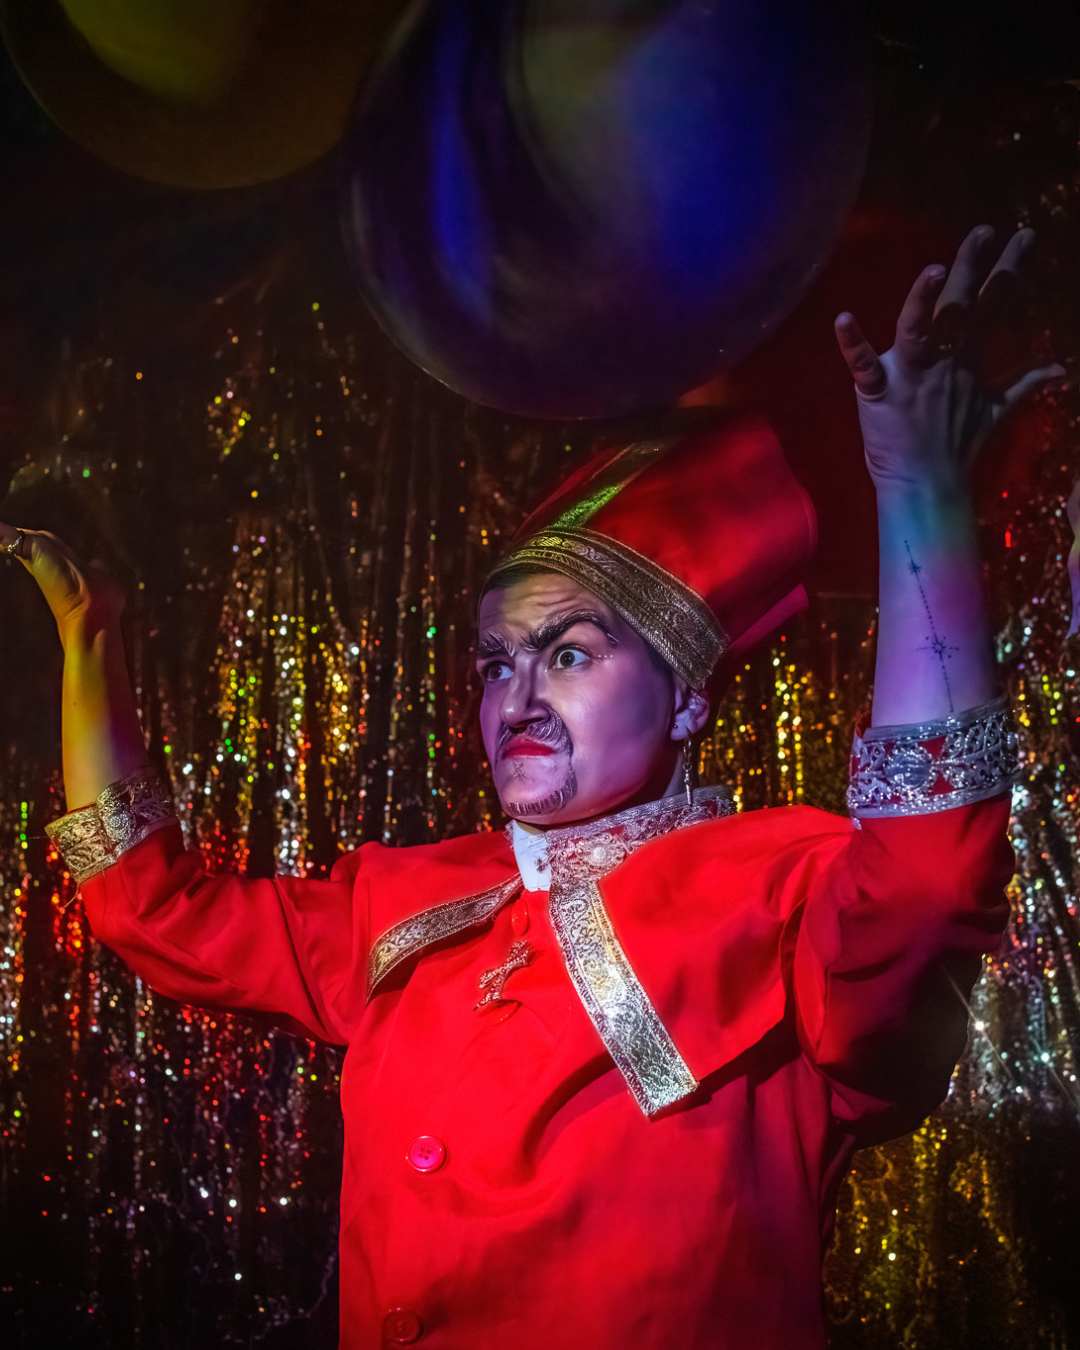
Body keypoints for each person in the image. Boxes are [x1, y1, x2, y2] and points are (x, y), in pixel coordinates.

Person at [0, 228, 1058, 1348]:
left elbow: (931, 878)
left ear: (689, 698)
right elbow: (150, 912)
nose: (515, 694)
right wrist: (91, 644)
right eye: (495, 662)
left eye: (568, 653)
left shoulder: (777, 891)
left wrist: (920, 497)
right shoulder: (399, 905)